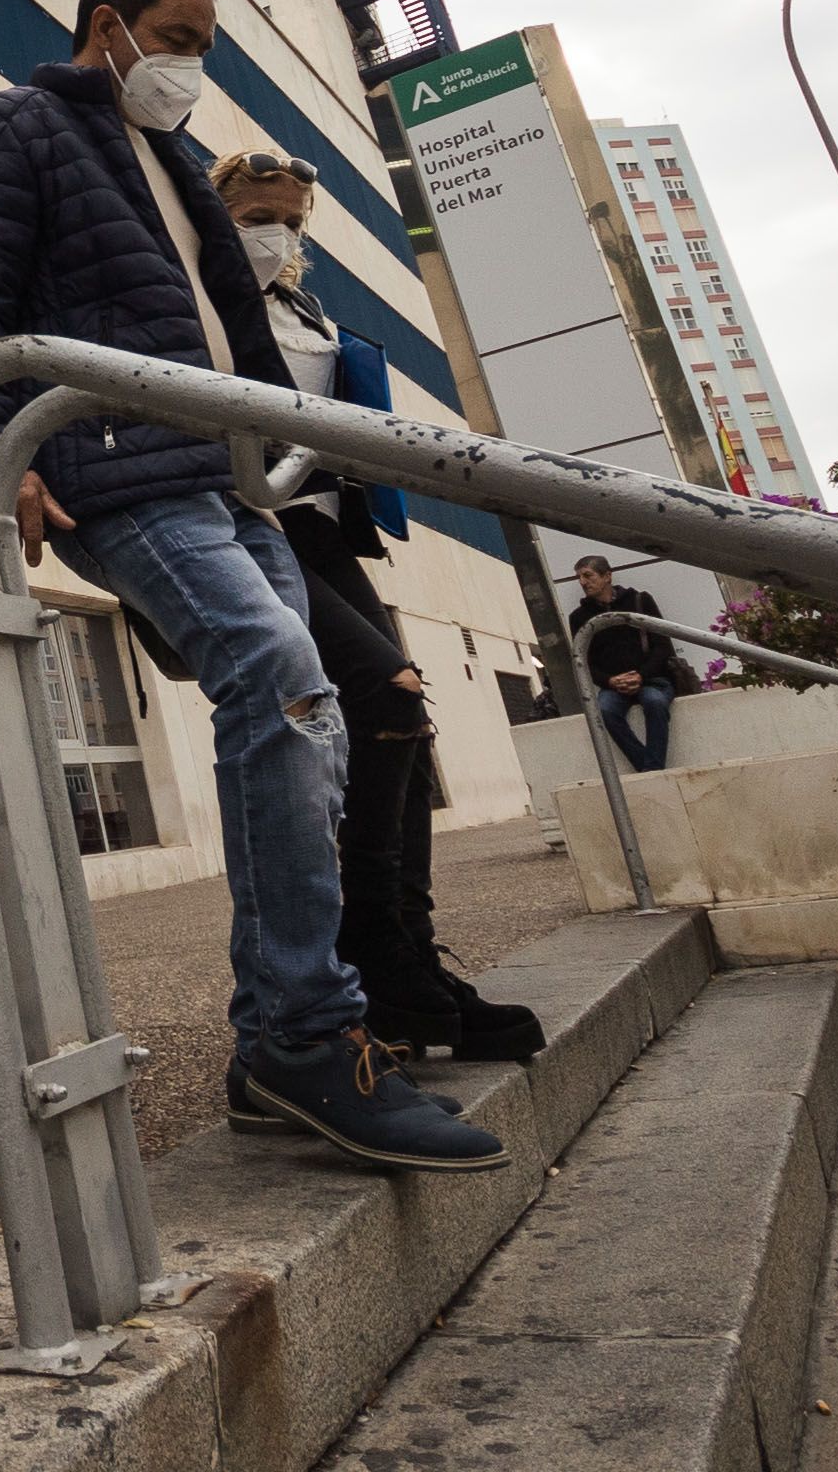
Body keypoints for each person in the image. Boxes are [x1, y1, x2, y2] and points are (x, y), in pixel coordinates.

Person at [0, 0, 503, 1171]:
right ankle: (310, 1030)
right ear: (110, 27)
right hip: (118, 467)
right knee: (283, 680)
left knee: (324, 718)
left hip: (234, 483)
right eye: (180, 40)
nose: (191, 66)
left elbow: (225, 332)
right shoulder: (15, 128)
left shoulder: (180, 169)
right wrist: (2, 457)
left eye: (204, 46)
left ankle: (277, 1045)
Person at [211, 151, 545, 1065]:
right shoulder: (202, 294)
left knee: (406, 722)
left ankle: (408, 955)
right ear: (218, 214)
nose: (277, 234)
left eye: (291, 220)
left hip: (328, 527)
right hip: (250, 520)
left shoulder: (306, 309)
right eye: (255, 217)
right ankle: (377, 955)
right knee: (386, 695)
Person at [572, 557, 678, 775]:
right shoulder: (579, 617)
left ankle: (650, 769)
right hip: (613, 685)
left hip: (652, 679)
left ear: (607, 576)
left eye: (588, 575)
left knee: (654, 702)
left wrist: (641, 675)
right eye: (579, 578)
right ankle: (651, 768)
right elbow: (585, 662)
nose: (582, 582)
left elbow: (662, 645)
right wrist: (610, 681)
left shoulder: (640, 601)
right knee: (604, 711)